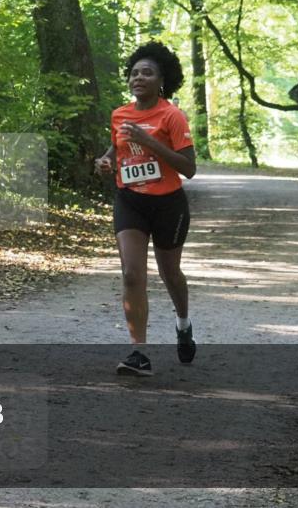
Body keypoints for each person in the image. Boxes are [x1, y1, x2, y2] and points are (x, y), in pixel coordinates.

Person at [94, 41, 196, 376]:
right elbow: (117, 148)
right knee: (131, 274)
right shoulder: (119, 114)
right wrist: (107, 161)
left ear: (161, 80)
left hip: (168, 204)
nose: (139, 77)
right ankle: (140, 352)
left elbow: (189, 168)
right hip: (131, 201)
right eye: (134, 72)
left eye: (147, 73)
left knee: (170, 274)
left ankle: (183, 324)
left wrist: (150, 140)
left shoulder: (172, 116)